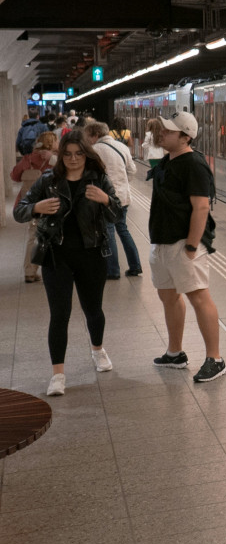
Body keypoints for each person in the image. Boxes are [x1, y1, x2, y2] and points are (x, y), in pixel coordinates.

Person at [14, 130, 122, 396]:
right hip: (56, 256)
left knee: (93, 309)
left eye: (79, 154)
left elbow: (118, 214)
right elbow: (19, 211)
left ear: (86, 154)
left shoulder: (98, 179)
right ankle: (58, 375)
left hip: (91, 255)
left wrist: (106, 200)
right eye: (68, 154)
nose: (73, 159)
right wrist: (36, 208)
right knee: (59, 314)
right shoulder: (48, 180)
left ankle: (97, 349)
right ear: (60, 155)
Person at [149, 111, 225, 383]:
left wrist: (192, 246)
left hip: (183, 243)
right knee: (168, 296)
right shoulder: (168, 160)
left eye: (168, 131)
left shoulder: (194, 164)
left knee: (199, 297)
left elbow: (201, 207)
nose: (162, 133)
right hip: (162, 242)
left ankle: (215, 359)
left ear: (185, 137)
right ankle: (175, 353)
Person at [84, 121, 143, 279]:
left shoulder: (94, 150)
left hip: (105, 198)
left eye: (88, 136)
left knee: (108, 232)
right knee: (123, 230)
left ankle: (112, 270)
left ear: (96, 134)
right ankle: (135, 266)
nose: (87, 140)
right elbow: (132, 170)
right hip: (123, 197)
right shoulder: (122, 147)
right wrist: (122, 184)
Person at [12, 131, 59, 282]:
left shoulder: (29, 158)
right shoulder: (56, 159)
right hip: (52, 202)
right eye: (56, 140)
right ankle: (56, 269)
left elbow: (14, 175)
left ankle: (30, 271)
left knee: (34, 235)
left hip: (32, 203)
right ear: (51, 142)